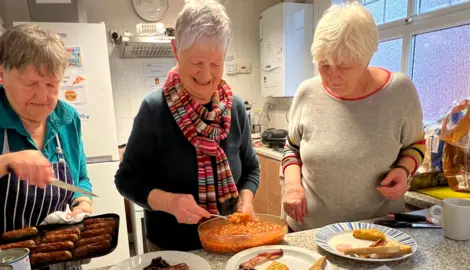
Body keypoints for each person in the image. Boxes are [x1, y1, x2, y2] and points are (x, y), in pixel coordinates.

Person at [115, 0, 260, 252]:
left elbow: (251, 169)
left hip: (230, 241)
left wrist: (245, 201)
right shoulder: (154, 109)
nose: (206, 76)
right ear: (176, 51)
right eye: (196, 64)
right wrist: (170, 203)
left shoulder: (234, 107)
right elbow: (126, 180)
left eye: (216, 64)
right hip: (170, 249)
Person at [281, 2, 426, 232]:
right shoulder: (307, 92)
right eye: (324, 65)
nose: (332, 76)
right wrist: (292, 186)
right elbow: (291, 148)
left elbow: (415, 144)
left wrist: (403, 170)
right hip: (308, 230)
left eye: (344, 67)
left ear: (366, 60)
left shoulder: (400, 92)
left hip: (376, 232)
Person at [0, 24, 93, 234]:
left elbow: (81, 179)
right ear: (2, 75)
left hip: (58, 255)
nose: (43, 98)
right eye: (31, 84)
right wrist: (6, 162)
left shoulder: (67, 119)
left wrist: (82, 200)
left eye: (52, 85)